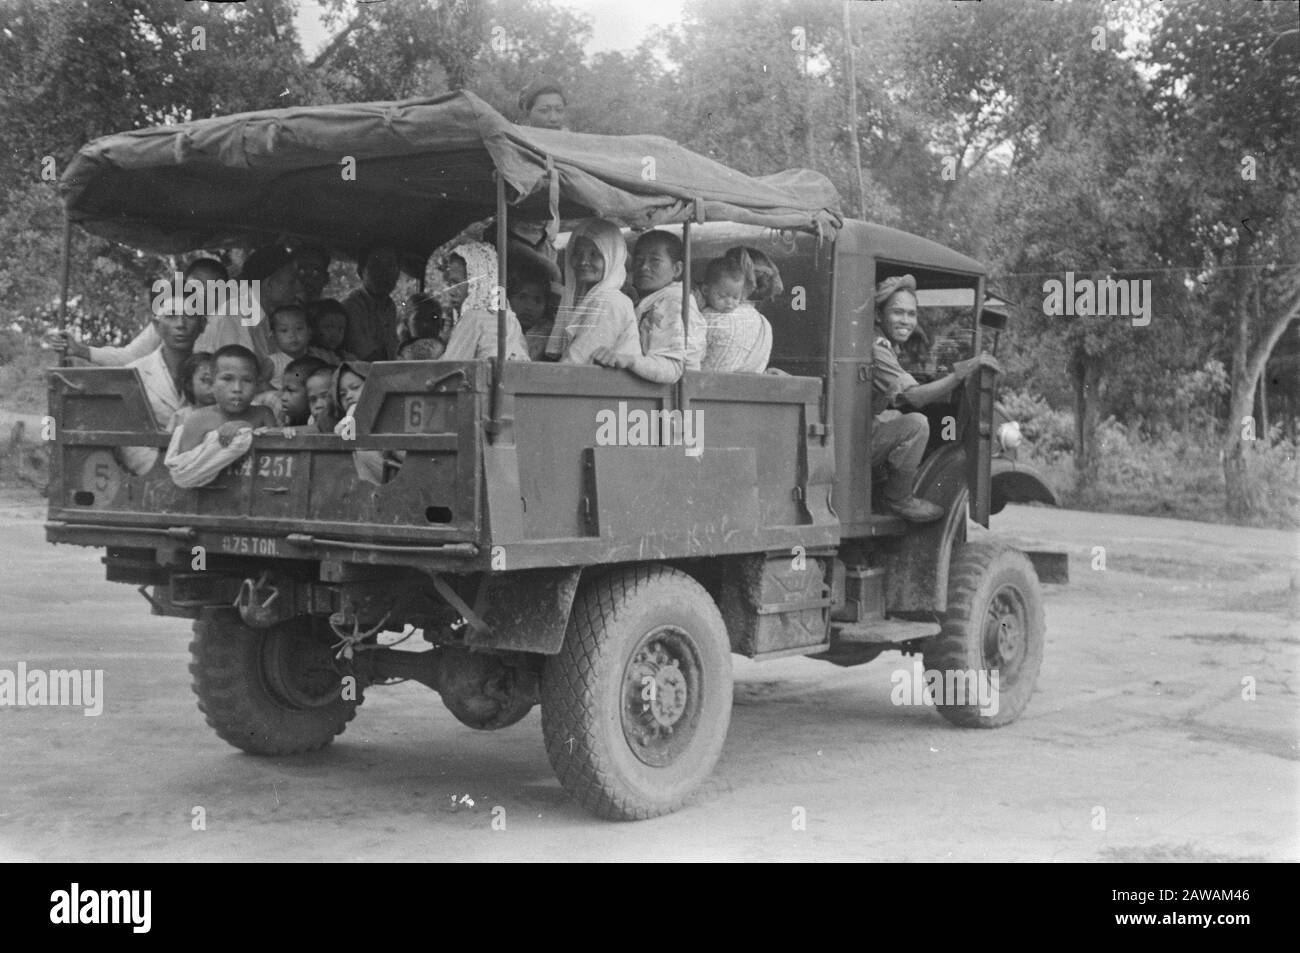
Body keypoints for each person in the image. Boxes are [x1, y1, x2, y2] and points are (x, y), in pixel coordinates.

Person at [869, 275, 1001, 522]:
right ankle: (898, 499)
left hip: (858, 435)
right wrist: (958, 374)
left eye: (911, 314)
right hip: (856, 441)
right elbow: (915, 397)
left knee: (895, 416)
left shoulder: (883, 346)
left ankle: (879, 490)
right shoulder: (877, 350)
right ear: (878, 315)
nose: (906, 321)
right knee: (916, 424)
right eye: (898, 312)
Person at [43, 257, 229, 365]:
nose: (201, 293)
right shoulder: (169, 320)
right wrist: (80, 350)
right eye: (196, 284)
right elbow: (130, 356)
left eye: (212, 288)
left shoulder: (228, 323)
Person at [591, 230, 704, 384]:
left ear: (677, 269)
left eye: (655, 261)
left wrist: (629, 360)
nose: (644, 267)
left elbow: (672, 368)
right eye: (638, 260)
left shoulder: (673, 303)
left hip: (672, 400)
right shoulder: (649, 301)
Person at [194, 245, 301, 386]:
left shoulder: (263, 318)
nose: (298, 287)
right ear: (269, 285)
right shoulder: (232, 318)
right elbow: (237, 385)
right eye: (292, 282)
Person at [545, 218, 640, 366]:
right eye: (578, 254)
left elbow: (577, 361)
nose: (583, 261)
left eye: (594, 254)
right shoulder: (587, 299)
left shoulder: (610, 301)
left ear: (612, 257)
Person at [172, 345, 276, 454]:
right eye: (227, 379)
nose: (237, 389)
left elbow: (278, 453)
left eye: (247, 380)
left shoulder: (263, 415)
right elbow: (185, 466)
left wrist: (247, 430)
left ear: (257, 385)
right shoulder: (198, 420)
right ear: (212, 383)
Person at [440, 242, 530, 362]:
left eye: (457, 283)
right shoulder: (511, 319)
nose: (451, 291)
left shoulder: (473, 318)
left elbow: (448, 368)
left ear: (478, 283)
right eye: (451, 284)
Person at [700, 250, 773, 373]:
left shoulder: (707, 317)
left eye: (735, 297)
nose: (729, 302)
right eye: (722, 296)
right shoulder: (765, 325)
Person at [342, 245, 400, 362]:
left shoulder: (390, 306)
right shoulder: (352, 306)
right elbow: (366, 357)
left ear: (397, 274)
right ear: (360, 272)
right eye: (376, 266)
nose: (384, 273)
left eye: (390, 266)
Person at [508, 258, 554, 361]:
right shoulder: (502, 328)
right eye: (522, 297)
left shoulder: (548, 336)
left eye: (538, 301)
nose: (529, 307)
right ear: (508, 299)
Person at [266, 303, 312, 389]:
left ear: (309, 332)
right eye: (284, 330)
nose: (292, 335)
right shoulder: (274, 362)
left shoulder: (312, 360)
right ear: (273, 337)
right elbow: (259, 383)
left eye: (299, 328)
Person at [169, 351, 216, 431]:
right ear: (189, 385)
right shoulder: (181, 416)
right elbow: (168, 441)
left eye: (216, 380)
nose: (213, 386)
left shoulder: (227, 416)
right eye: (206, 380)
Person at [277, 356, 329, 427]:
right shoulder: (285, 417)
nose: (283, 398)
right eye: (283, 390)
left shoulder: (324, 418)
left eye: (291, 391)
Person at [398, 293, 447, 360]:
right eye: (419, 318)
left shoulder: (450, 351)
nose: (427, 325)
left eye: (434, 318)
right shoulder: (395, 356)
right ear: (406, 323)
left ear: (442, 323)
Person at [307, 298, 356, 364]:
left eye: (341, 329)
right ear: (313, 328)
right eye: (328, 327)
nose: (335, 334)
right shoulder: (313, 354)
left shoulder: (347, 357)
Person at [304, 364, 338, 434]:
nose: (318, 405)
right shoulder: (312, 420)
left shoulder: (346, 419)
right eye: (313, 399)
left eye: (325, 396)